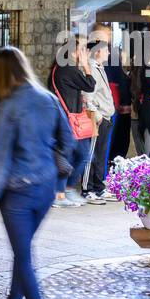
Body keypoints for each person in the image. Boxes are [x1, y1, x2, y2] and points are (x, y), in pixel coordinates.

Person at [0, 46, 74, 299]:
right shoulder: (48, 98)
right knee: (24, 250)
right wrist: (60, 181)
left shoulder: (7, 106)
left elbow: (0, 158)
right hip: (45, 187)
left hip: (17, 191)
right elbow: (69, 141)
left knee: (24, 256)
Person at [50, 38, 96, 206]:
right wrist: (86, 66)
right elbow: (90, 85)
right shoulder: (68, 69)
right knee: (70, 156)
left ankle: (66, 190)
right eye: (80, 50)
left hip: (68, 119)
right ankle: (60, 193)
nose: (83, 53)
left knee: (81, 155)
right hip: (69, 121)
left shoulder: (60, 69)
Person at [82, 33, 116, 200]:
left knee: (101, 154)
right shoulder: (92, 69)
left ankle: (98, 186)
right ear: (97, 52)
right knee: (93, 153)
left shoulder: (99, 68)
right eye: (106, 51)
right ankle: (87, 189)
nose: (108, 54)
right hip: (99, 118)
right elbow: (88, 95)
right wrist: (97, 114)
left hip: (106, 117)